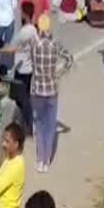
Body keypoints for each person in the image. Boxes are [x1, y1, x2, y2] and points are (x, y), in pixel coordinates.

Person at [30, 15, 73, 173]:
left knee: (39, 125)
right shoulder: (55, 44)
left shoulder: (34, 44)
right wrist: (59, 73)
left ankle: (39, 159)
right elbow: (69, 59)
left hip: (37, 89)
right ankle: (47, 160)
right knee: (50, 127)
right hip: (52, 89)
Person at [4, 2, 38, 133]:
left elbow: (12, 48)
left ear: (24, 14)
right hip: (29, 69)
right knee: (26, 99)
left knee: (21, 100)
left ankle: (26, 127)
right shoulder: (34, 30)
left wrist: (1, 49)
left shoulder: (24, 32)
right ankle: (26, 125)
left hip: (21, 70)